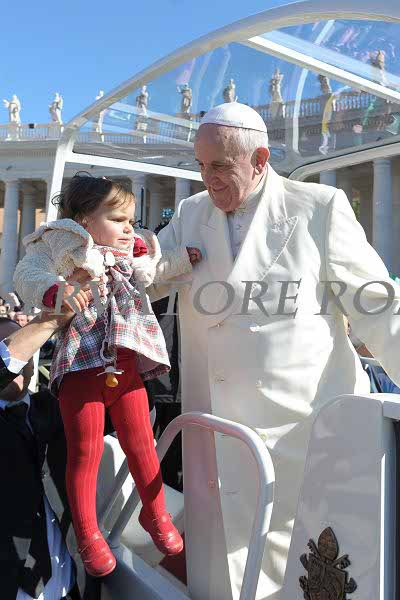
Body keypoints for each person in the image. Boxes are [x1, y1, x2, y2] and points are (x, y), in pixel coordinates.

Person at [152, 101, 400, 600]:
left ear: (260, 159)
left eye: (219, 166)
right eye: (200, 166)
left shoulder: (318, 207)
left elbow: (378, 308)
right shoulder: (191, 211)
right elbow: (151, 275)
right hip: (214, 428)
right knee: (219, 570)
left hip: (300, 429)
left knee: (301, 568)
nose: (207, 179)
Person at [13, 174, 202, 579]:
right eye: (118, 219)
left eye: (132, 220)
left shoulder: (130, 253)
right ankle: (87, 534)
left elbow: (154, 275)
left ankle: (156, 513)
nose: (129, 228)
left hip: (126, 363)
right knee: (85, 453)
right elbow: (28, 272)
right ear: (83, 219)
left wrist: (183, 260)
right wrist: (55, 292)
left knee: (144, 444)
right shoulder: (60, 244)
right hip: (80, 364)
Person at [0, 315, 107, 600]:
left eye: (25, 353)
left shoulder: (53, 405)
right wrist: (50, 320)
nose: (18, 364)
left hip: (71, 585)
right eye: (12, 351)